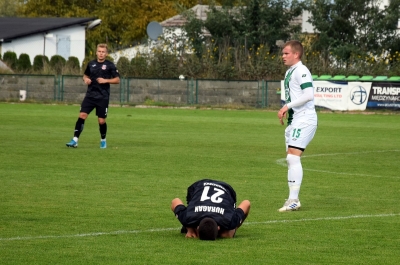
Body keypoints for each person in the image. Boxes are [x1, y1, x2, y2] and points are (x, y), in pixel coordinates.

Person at [277, 40, 318, 212]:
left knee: (293, 158)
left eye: (286, 53)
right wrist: (288, 109)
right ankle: (292, 199)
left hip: (305, 119)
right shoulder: (290, 71)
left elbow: (309, 95)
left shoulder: (301, 70)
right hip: (295, 120)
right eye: (283, 53)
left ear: (296, 54)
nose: (283, 56)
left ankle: (294, 200)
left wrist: (287, 106)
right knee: (290, 159)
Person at [66, 43, 120, 149]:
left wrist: (106, 80)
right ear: (96, 52)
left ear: (106, 53)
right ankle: (75, 140)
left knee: (101, 120)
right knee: (82, 115)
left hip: (103, 97)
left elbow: (117, 80)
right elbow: (85, 75)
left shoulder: (110, 65)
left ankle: (103, 140)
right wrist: (85, 79)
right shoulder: (91, 64)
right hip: (90, 96)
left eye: (103, 52)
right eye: (99, 51)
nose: (101, 54)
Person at [171, 179, 250, 240]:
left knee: (227, 234)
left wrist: (233, 227)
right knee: (227, 234)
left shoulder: (229, 221)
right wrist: (189, 227)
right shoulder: (189, 216)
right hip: (199, 188)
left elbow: (246, 203)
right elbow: (175, 201)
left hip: (226, 189)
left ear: (198, 228)